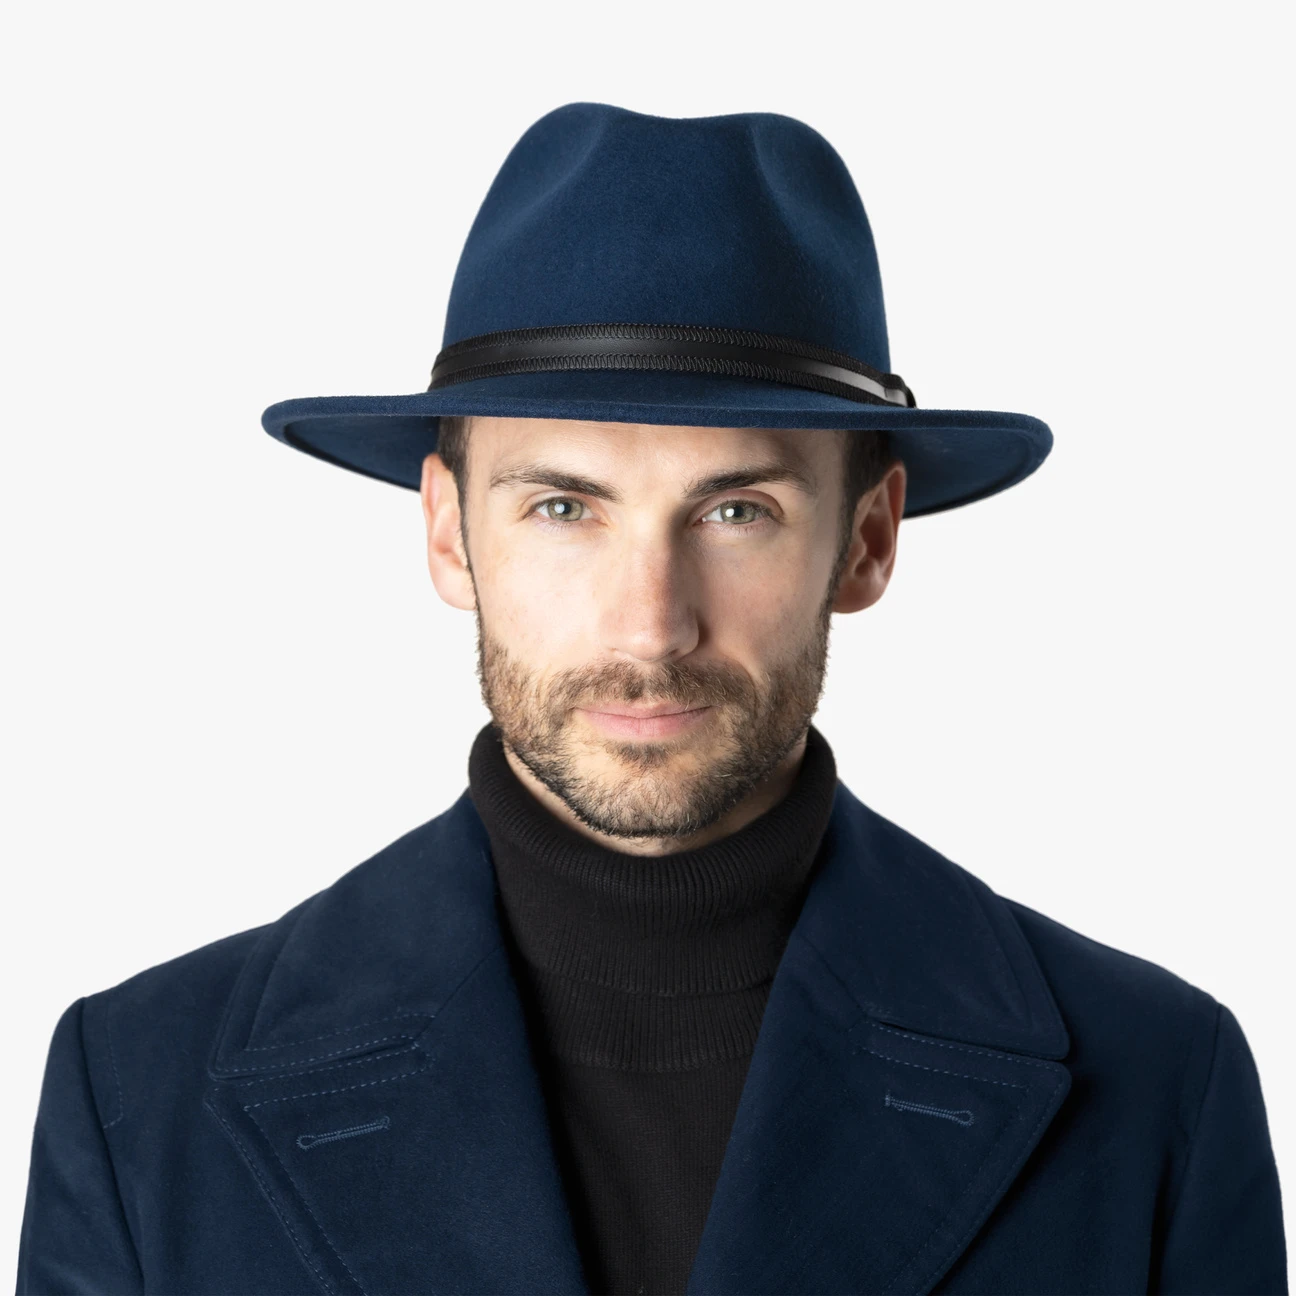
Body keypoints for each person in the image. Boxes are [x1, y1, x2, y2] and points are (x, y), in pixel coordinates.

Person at [17, 103, 1286, 1296]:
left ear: (866, 541)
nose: (649, 625)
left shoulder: (1154, 1089)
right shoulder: (139, 1100)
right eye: (563, 507)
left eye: (737, 512)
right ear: (450, 535)